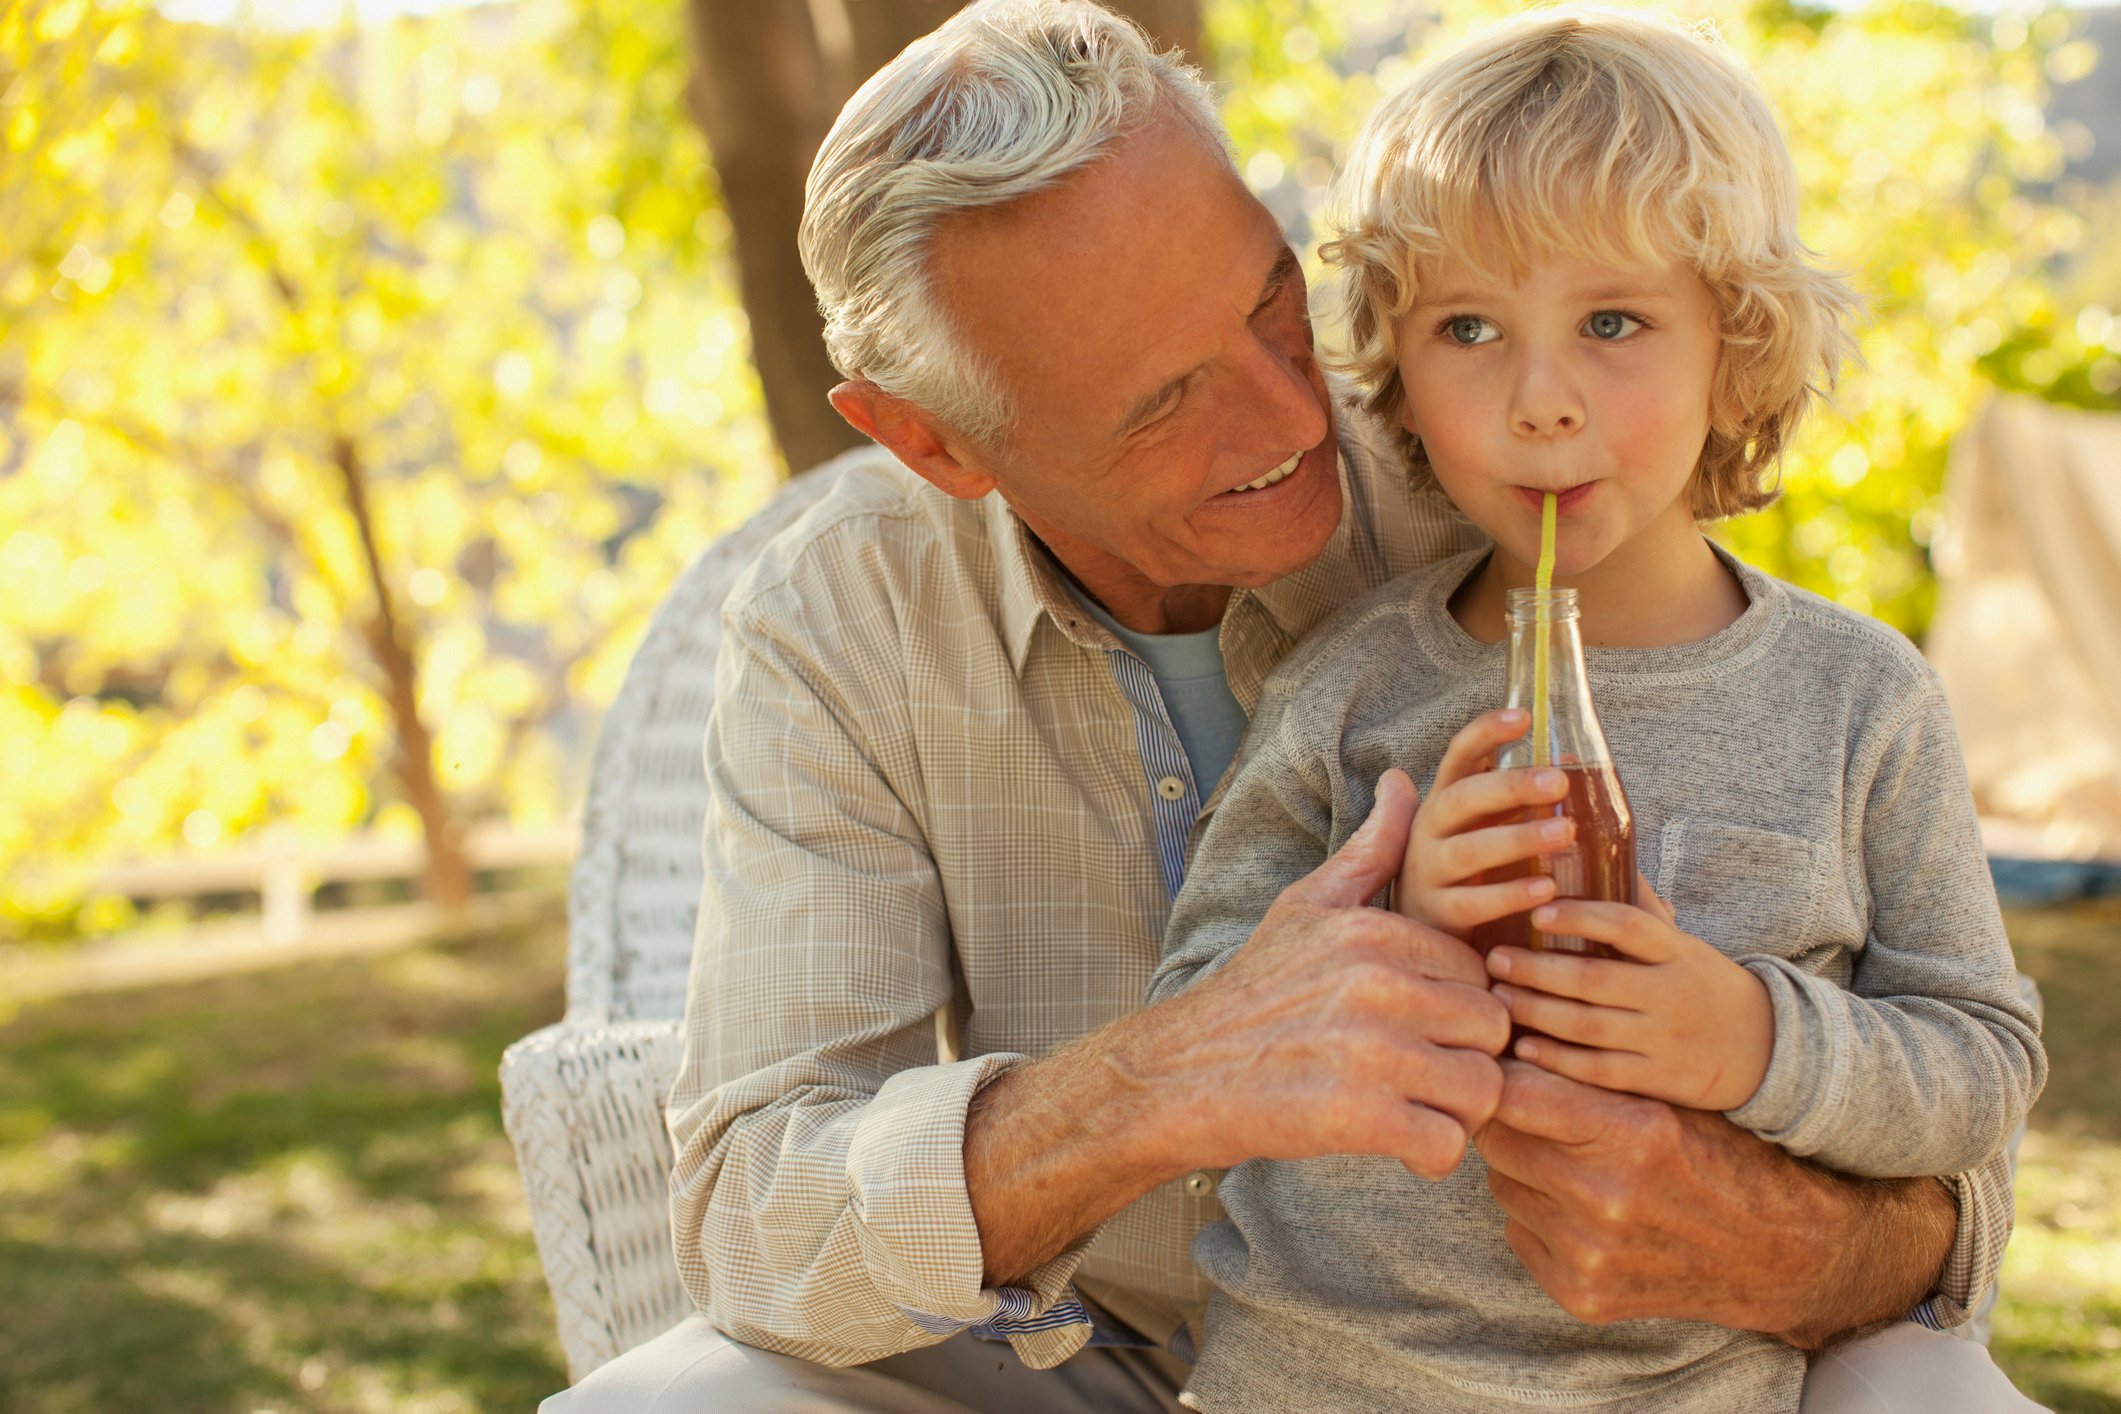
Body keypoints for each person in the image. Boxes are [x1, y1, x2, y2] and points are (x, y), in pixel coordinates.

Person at [541, 2, 2032, 1409]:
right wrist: (1169, 1076)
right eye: (1158, 398)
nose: (1290, 413)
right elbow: (751, 1220)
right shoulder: (844, 619)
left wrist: (1766, 1179)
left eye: (1268, 301)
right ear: (932, 441)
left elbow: (1947, 1093)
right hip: (1085, 1350)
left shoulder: (1514, 487)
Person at [1146, 10, 2047, 1412]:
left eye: (1611, 322)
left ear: (1733, 347)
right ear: (1394, 369)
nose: (1541, 401)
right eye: (1467, 329)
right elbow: (1192, 1027)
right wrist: (1401, 938)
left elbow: (1980, 1066)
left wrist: (1751, 1037)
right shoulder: (1347, 686)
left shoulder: (1857, 700)